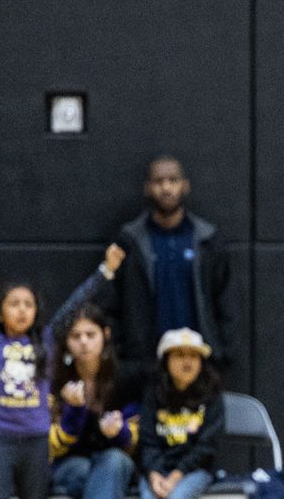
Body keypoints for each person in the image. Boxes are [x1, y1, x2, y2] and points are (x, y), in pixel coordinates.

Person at [0, 244, 125, 499]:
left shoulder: (47, 341)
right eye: (13, 303)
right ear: (0, 311)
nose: (21, 309)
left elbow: (74, 304)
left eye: (28, 304)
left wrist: (105, 272)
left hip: (36, 443)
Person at [99, 155, 237, 392]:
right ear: (147, 188)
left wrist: (222, 352)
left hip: (198, 363)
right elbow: (110, 300)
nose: (166, 188)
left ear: (185, 185)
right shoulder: (129, 241)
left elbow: (227, 300)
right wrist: (123, 355)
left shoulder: (207, 240)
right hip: (145, 367)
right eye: (158, 181)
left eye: (173, 180)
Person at [121, 328, 224, 499]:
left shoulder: (212, 396)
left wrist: (177, 475)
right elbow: (148, 441)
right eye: (179, 355)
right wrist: (154, 474)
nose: (187, 362)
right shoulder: (153, 394)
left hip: (194, 471)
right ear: (165, 360)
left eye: (193, 356)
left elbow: (207, 447)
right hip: (157, 470)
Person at [50, 303, 140, 499]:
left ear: (106, 335)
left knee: (115, 463)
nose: (83, 342)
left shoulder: (126, 378)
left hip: (113, 462)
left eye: (90, 334)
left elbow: (137, 442)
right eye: (75, 336)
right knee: (101, 481)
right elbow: (51, 447)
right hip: (68, 467)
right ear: (66, 342)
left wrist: (120, 432)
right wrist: (73, 412)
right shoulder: (54, 380)